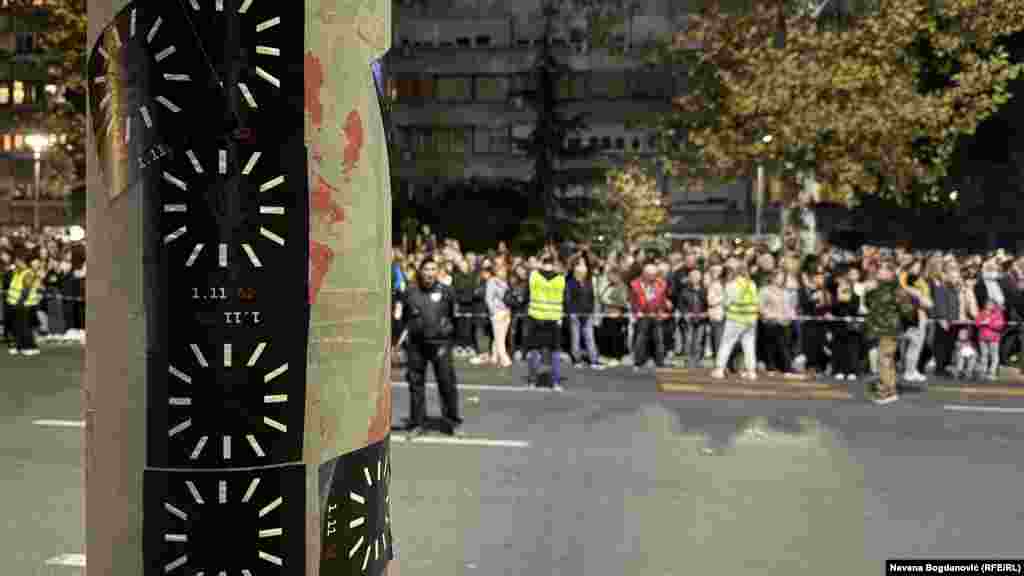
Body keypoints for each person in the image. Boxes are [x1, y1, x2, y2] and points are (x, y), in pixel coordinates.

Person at [399, 258, 462, 437]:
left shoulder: (447, 291)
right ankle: (417, 423)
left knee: (447, 383)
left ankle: (453, 422)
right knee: (415, 385)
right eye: (426, 269)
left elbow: (454, 318)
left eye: (433, 269)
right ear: (420, 271)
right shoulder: (410, 292)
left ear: (438, 272)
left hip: (441, 345)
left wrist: (448, 338)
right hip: (416, 345)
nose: (429, 273)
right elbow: (404, 317)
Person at [864, 260, 916, 403]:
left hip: (890, 329)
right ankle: (890, 389)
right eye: (879, 269)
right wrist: (868, 291)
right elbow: (869, 304)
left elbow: (908, 309)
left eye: (883, 269)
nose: (879, 271)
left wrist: (906, 323)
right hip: (878, 329)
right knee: (887, 360)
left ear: (891, 273)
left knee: (884, 359)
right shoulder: (877, 287)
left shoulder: (896, 289)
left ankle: (887, 391)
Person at [524, 255, 566, 389]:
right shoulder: (560, 279)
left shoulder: (533, 276)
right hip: (554, 320)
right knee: (555, 352)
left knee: (535, 350)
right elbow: (566, 299)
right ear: (553, 264)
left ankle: (532, 381)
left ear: (541, 263)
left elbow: (526, 295)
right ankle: (556, 382)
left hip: (536, 318)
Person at [711, 261, 758, 380]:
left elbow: (727, 302)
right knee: (749, 345)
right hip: (751, 319)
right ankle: (751, 372)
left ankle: (719, 370)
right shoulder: (752, 284)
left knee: (726, 344)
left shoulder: (732, 284)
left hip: (736, 318)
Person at [6, 247, 42, 356]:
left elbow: (26, 291)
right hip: (14, 304)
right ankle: (19, 346)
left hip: (23, 305)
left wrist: (19, 303)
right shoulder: (17, 272)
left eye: (16, 260)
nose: (15, 262)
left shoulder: (27, 273)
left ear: (21, 260)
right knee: (17, 327)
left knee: (24, 327)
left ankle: (30, 347)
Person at [485, 262, 513, 368]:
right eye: (501, 270)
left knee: (500, 337)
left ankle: (494, 357)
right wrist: (494, 312)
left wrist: (508, 310)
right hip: (497, 313)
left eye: (504, 271)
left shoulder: (505, 282)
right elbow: (488, 299)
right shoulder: (492, 282)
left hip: (506, 312)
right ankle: (505, 360)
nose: (504, 272)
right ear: (496, 272)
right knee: (499, 339)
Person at [976, 298, 1006, 381]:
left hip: (994, 338)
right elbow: (977, 322)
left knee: (994, 356)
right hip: (982, 337)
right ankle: (983, 372)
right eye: (988, 304)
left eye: (991, 304)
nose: (989, 306)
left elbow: (1000, 325)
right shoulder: (982, 313)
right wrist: (981, 322)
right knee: (984, 355)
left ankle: (991, 373)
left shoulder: (998, 314)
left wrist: (989, 323)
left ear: (994, 305)